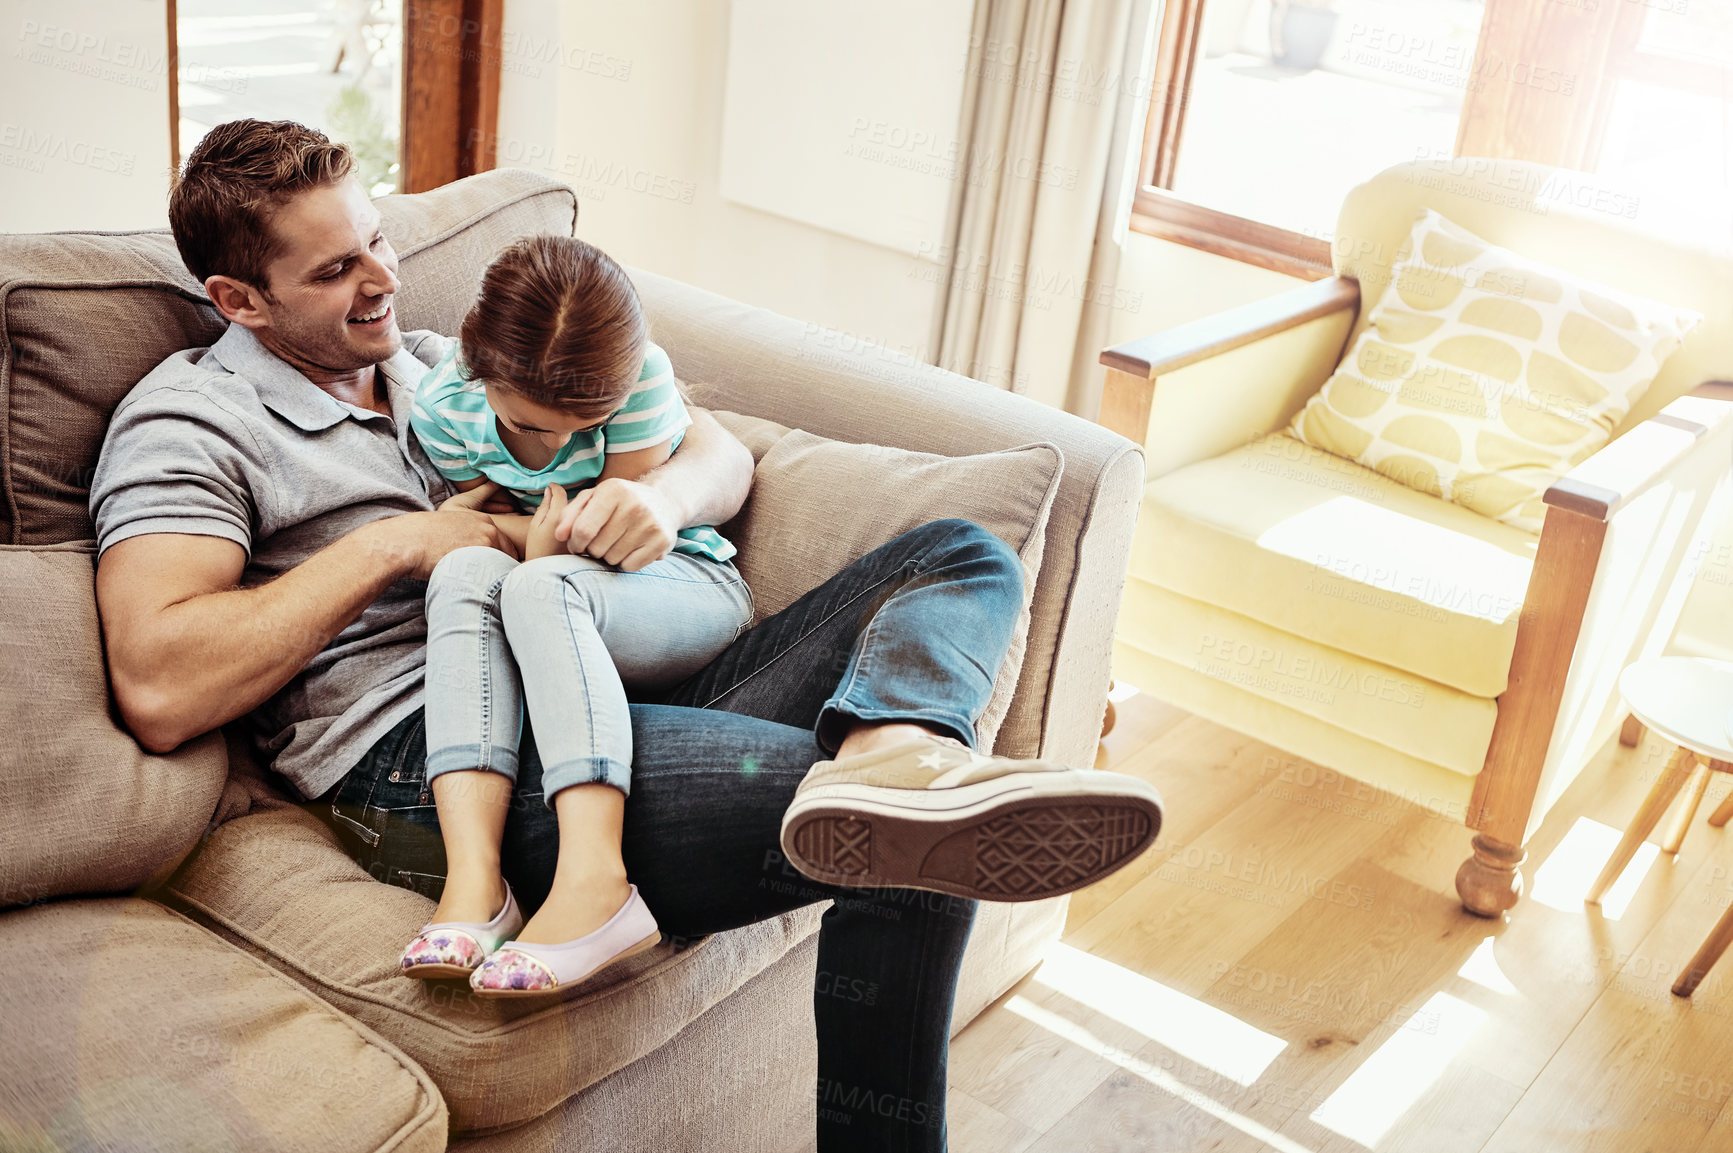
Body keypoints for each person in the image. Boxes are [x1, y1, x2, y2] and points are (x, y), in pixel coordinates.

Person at [88, 118, 1162, 1151]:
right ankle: (891, 797)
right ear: (238, 299)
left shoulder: (433, 367)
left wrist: (669, 499)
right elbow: (160, 681)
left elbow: (712, 449)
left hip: (605, 673)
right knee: (898, 842)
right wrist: (392, 547)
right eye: (333, 271)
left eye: (375, 238)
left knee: (959, 553)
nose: (382, 277)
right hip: (440, 759)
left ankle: (897, 744)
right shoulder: (192, 420)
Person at [400, 233, 754, 996]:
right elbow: (481, 519)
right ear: (476, 369)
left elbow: (614, 538)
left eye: (583, 425)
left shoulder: (644, 381)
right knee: (463, 571)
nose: (559, 443)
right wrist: (527, 544)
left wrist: (539, 549)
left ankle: (597, 883)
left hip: (672, 583)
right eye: (532, 425)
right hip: (556, 586)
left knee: (539, 584)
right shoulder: (444, 408)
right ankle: (475, 888)